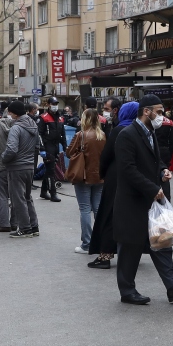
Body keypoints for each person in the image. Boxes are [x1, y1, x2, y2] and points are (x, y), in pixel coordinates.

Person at [112, 94, 173, 305]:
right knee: (130, 248)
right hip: (133, 202)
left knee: (162, 243)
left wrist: (162, 170)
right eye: (159, 112)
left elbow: (154, 159)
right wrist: (153, 188)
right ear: (147, 111)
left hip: (151, 201)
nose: (162, 116)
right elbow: (127, 169)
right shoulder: (127, 135)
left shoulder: (150, 131)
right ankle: (127, 291)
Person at [87, 101, 137, 270]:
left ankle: (105, 255)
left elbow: (107, 156)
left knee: (109, 215)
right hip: (137, 180)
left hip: (117, 178)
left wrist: (103, 174)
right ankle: (131, 253)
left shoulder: (119, 131)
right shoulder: (142, 130)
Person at [68, 108, 106, 254]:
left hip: (83, 176)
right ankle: (102, 241)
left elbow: (69, 152)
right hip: (99, 176)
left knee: (85, 209)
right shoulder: (102, 135)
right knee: (97, 209)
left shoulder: (81, 135)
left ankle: (87, 243)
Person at [0, 100, 41, 238]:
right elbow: (37, 146)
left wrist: (3, 158)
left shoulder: (16, 128)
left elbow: (11, 149)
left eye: (10, 112)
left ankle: (24, 228)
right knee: (28, 197)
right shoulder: (33, 125)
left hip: (17, 167)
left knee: (18, 199)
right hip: (29, 165)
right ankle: (34, 226)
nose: (9, 115)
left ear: (14, 113)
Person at [38, 98, 67, 202]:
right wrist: (42, 148)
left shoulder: (60, 118)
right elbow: (39, 134)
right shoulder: (43, 118)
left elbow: (63, 134)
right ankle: (53, 192)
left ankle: (43, 191)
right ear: (49, 105)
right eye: (53, 104)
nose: (55, 105)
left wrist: (65, 146)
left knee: (50, 169)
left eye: (56, 103)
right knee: (51, 171)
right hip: (47, 146)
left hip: (56, 146)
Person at [154, 109, 173, 198]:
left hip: (154, 149)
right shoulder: (169, 122)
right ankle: (167, 198)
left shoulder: (152, 122)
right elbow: (172, 140)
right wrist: (170, 152)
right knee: (165, 176)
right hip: (165, 150)